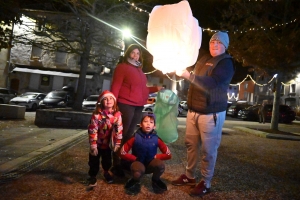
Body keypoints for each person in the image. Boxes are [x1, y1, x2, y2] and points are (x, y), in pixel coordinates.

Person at [172, 31, 235, 197]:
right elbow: (193, 74)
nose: (214, 45)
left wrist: (187, 75)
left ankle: (206, 182)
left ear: (225, 46)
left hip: (211, 112)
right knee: (191, 145)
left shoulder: (225, 64)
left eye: (218, 43)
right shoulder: (203, 59)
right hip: (193, 110)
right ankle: (189, 176)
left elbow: (211, 83)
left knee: (208, 150)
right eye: (212, 42)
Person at [111, 44, 161, 176]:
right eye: (133, 52)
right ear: (128, 53)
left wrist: (156, 89)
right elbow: (116, 87)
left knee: (128, 136)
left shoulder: (139, 70)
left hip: (138, 105)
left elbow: (143, 89)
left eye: (137, 53)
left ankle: (123, 161)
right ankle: (115, 165)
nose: (135, 55)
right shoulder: (122, 67)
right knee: (120, 135)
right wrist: (113, 106)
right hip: (125, 104)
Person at [120, 112, 172, 195]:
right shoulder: (135, 137)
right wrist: (134, 158)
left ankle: (156, 180)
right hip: (138, 163)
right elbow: (122, 152)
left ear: (154, 126)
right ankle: (135, 180)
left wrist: (157, 156)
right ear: (140, 124)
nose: (148, 124)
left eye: (151, 122)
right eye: (145, 121)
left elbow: (168, 154)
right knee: (137, 173)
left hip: (151, 163)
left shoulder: (157, 139)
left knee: (160, 166)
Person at [87, 90, 123, 186]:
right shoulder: (96, 115)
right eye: (105, 99)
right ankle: (92, 176)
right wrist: (93, 145)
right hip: (97, 144)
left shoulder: (117, 115)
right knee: (93, 161)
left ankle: (106, 172)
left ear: (114, 101)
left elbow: (119, 129)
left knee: (107, 161)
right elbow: (92, 130)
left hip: (107, 145)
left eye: (111, 98)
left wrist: (117, 143)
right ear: (101, 102)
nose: (108, 100)